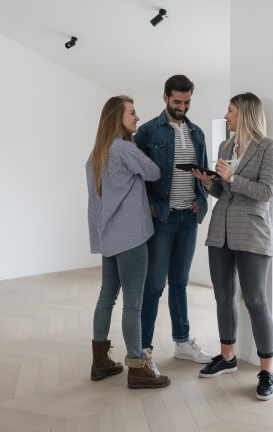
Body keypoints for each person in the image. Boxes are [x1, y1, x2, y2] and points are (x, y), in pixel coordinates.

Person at [191, 92, 273, 400]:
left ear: (245, 114)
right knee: (223, 297)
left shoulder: (269, 147)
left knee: (256, 301)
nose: (226, 116)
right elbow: (221, 190)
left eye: (230, 111)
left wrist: (232, 176)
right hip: (220, 232)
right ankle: (227, 357)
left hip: (253, 233)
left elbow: (266, 191)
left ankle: (267, 370)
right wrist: (207, 181)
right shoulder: (225, 146)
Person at [86, 95, 170, 389]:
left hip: (109, 238)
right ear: (117, 118)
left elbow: (96, 203)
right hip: (132, 238)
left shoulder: (96, 154)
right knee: (133, 305)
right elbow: (154, 172)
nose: (137, 117)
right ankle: (137, 366)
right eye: (132, 113)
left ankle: (100, 361)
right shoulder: (123, 149)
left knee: (106, 298)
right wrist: (137, 150)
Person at [134, 75, 213, 364]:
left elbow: (202, 174)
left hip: (188, 219)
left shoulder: (197, 133)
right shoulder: (147, 132)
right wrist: (150, 207)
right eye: (177, 101)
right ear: (165, 97)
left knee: (180, 282)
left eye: (187, 101)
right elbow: (135, 176)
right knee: (154, 285)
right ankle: (143, 350)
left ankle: (182, 343)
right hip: (162, 220)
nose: (182, 107)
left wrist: (202, 191)